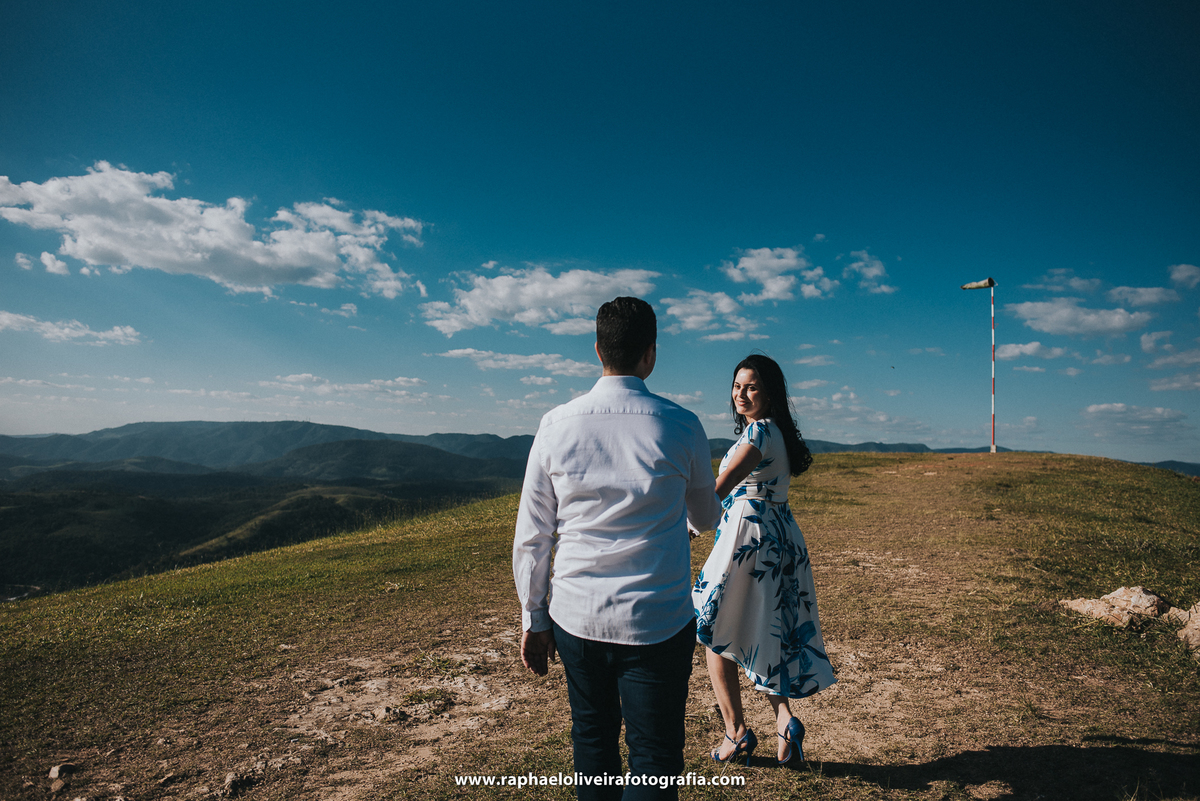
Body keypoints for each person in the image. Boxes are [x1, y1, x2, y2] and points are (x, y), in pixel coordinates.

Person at [513, 296, 723, 800]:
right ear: (650, 354)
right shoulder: (682, 425)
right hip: (657, 619)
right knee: (654, 755)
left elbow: (534, 534)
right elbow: (706, 517)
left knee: (592, 740)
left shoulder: (555, 425)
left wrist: (533, 618)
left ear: (597, 349)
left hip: (576, 616)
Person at [691, 354, 837, 766]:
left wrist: (686, 524)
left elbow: (720, 487)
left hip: (749, 537)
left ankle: (735, 732)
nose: (741, 393)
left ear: (769, 393)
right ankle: (784, 720)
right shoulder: (778, 432)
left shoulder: (758, 432)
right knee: (762, 630)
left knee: (712, 627)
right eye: (737, 386)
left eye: (751, 386)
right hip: (778, 536)